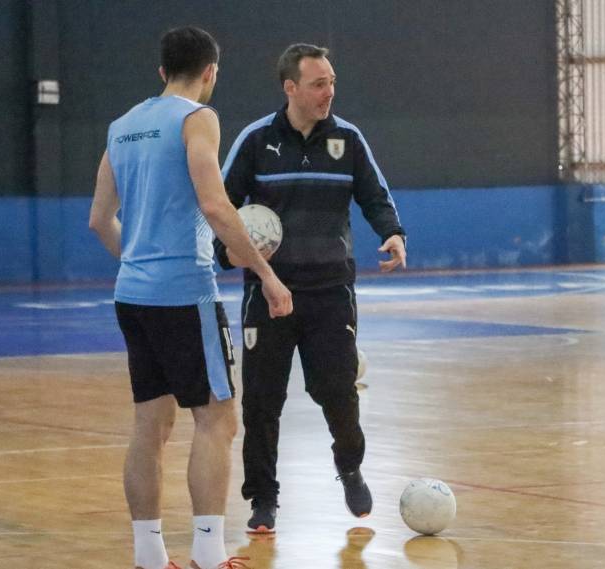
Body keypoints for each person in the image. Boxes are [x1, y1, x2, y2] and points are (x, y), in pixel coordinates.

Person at [88, 26, 293, 569]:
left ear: (162, 71)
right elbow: (216, 205)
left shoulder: (121, 127)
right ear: (210, 72)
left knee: (149, 426)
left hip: (132, 296)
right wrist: (267, 274)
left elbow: (99, 220)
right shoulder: (197, 118)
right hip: (185, 293)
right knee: (217, 420)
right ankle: (208, 552)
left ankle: (150, 557)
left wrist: (138, 264)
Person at [214, 43, 407, 533]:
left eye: (332, 82)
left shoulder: (348, 139)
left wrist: (392, 232)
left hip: (330, 290)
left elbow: (375, 195)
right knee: (262, 401)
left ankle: (349, 466)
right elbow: (219, 206)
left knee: (337, 390)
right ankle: (263, 498)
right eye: (319, 84)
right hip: (269, 293)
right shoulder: (256, 141)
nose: (329, 92)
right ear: (291, 88)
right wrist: (224, 253)